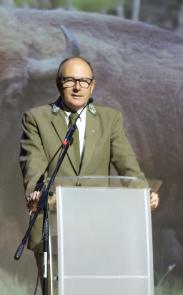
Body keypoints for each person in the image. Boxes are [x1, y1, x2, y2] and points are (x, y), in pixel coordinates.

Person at [20, 56, 159, 251]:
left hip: (99, 227)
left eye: (84, 81)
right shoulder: (36, 118)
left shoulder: (110, 119)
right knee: (59, 282)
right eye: (70, 81)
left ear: (92, 86)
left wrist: (145, 194)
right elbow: (33, 165)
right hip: (53, 227)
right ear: (59, 84)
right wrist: (38, 196)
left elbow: (128, 166)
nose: (78, 87)